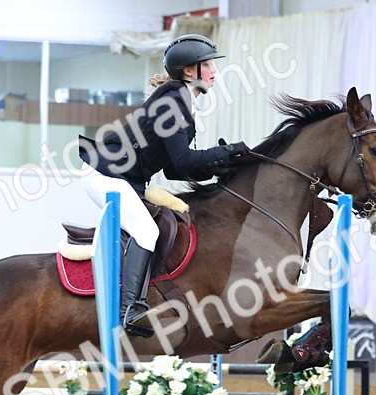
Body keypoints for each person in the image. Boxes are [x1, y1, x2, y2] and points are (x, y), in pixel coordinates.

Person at [78, 34, 250, 338]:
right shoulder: (173, 103)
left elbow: (172, 170)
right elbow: (183, 161)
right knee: (147, 231)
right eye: (208, 65)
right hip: (104, 175)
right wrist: (227, 152)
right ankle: (129, 309)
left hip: (120, 177)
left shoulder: (179, 101)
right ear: (189, 71)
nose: (214, 72)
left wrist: (220, 167)